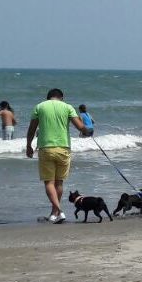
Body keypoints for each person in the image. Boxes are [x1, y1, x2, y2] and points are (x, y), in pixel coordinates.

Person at [26, 88, 88, 223]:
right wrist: (87, 131)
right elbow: (79, 126)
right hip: (64, 148)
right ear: (62, 97)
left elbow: (31, 128)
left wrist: (28, 145)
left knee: (49, 182)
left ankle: (58, 211)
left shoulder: (40, 106)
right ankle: (54, 213)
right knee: (59, 182)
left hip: (46, 148)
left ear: (48, 97)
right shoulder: (67, 107)